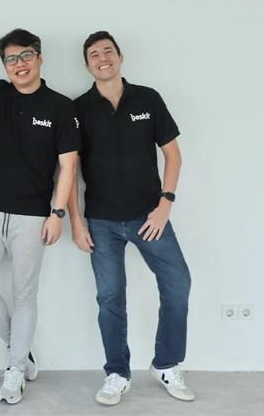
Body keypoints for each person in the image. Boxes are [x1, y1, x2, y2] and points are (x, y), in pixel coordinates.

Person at [0, 28, 79, 404]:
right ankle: (18, 349)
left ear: (39, 58)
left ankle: (15, 369)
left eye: (25, 56)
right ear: (4, 65)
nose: (19, 64)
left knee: (25, 295)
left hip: (33, 217)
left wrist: (57, 214)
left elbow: (68, 167)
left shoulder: (60, 107)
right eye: (11, 59)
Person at [67, 31, 194, 406]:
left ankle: (167, 363)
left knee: (178, 284)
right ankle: (117, 373)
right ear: (87, 65)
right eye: (94, 54)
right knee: (110, 298)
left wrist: (165, 204)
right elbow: (68, 169)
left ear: (120, 57)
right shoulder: (78, 109)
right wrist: (76, 221)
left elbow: (173, 154)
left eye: (108, 51)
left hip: (149, 217)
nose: (102, 58)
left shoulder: (148, 99)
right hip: (101, 222)